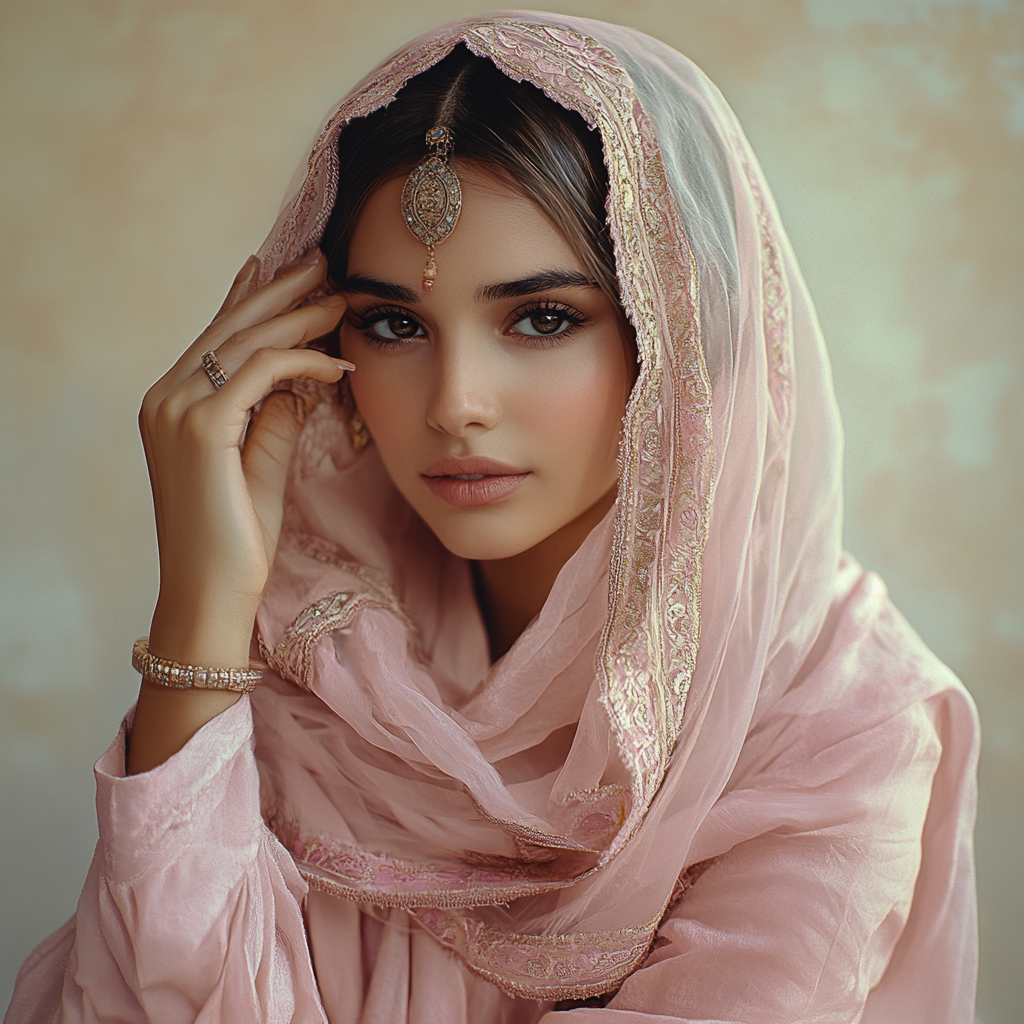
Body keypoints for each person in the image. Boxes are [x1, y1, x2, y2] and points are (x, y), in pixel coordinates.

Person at [6, 13, 980, 1024]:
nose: (455, 401)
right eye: (393, 323)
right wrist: (202, 611)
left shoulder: (833, 722)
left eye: (542, 318)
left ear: (687, 343)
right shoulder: (306, 649)